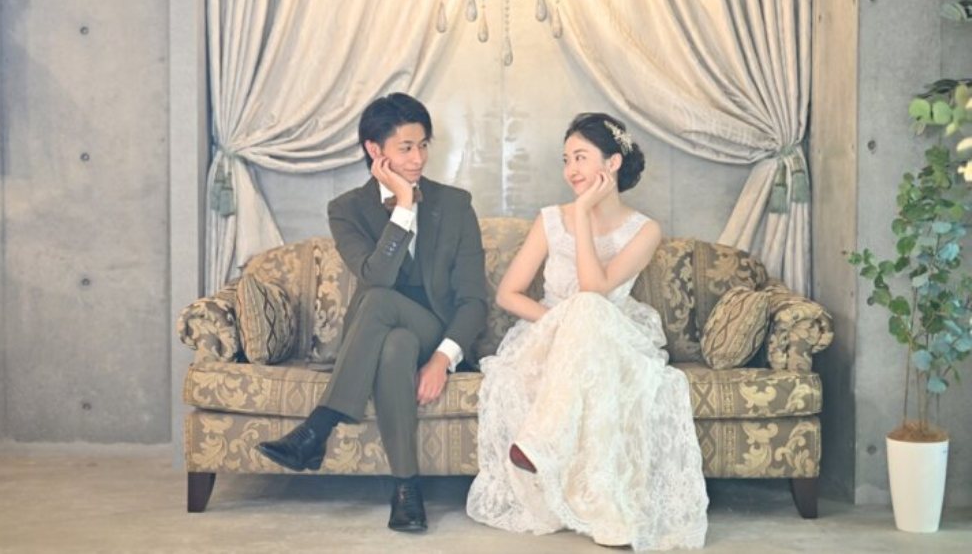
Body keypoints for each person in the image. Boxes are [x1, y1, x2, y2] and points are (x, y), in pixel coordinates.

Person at [466, 112, 708, 549]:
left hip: (612, 339)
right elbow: (508, 294)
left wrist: (580, 214)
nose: (571, 170)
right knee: (580, 312)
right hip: (549, 336)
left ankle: (543, 445)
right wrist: (560, 323)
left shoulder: (645, 230)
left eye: (580, 157)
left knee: (589, 307)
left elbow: (595, 288)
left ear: (612, 163)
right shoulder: (549, 219)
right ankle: (592, 499)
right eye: (566, 160)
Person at [257, 93, 488, 532]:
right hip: (382, 335)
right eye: (406, 148)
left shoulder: (455, 204)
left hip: (436, 330)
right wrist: (403, 206)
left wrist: (442, 359)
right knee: (394, 342)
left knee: (381, 304)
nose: (418, 158)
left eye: (423, 145)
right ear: (374, 150)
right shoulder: (346, 210)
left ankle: (318, 428)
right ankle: (407, 492)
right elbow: (377, 275)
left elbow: (474, 298)